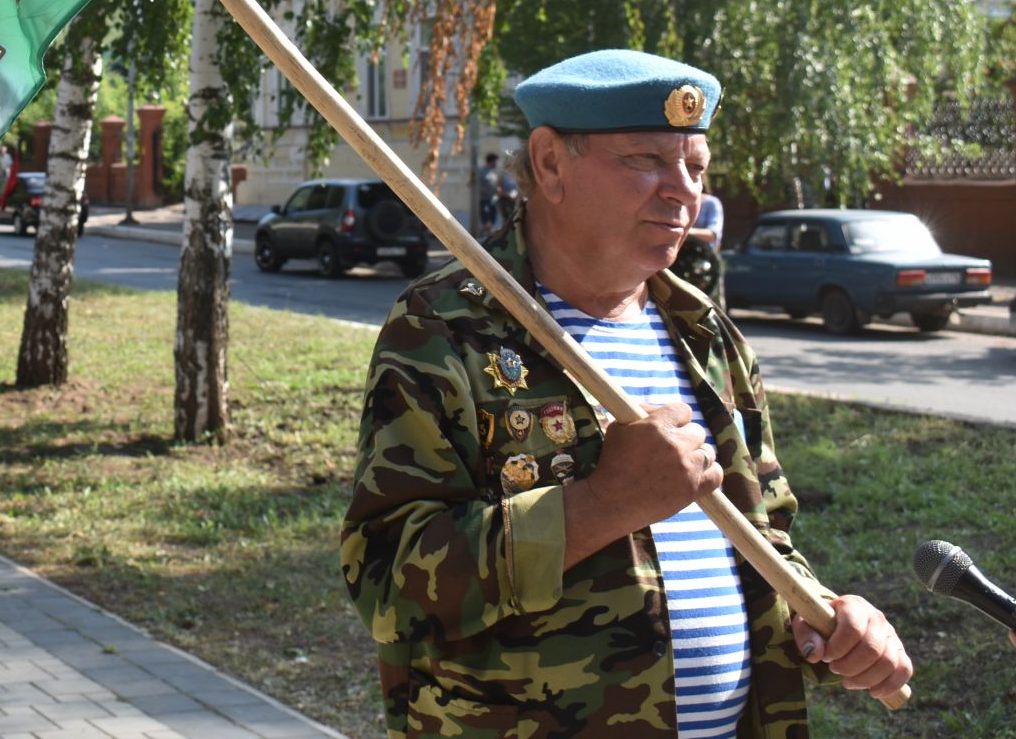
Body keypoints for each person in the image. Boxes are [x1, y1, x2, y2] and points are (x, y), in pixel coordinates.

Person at [342, 49, 912, 737]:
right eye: (646, 160)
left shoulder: (706, 335)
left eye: (695, 167)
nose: (682, 192)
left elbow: (768, 538)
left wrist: (831, 619)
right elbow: (388, 583)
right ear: (550, 163)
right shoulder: (447, 330)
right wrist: (601, 504)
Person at [477, 152, 506, 234]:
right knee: (485, 215)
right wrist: (482, 190)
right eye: (495, 161)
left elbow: (496, 182)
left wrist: (498, 189)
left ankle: (487, 231)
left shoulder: (494, 171)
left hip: (493, 198)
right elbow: (477, 183)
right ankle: (484, 231)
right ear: (491, 161)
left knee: (493, 216)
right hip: (484, 198)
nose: (496, 163)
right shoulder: (481, 171)